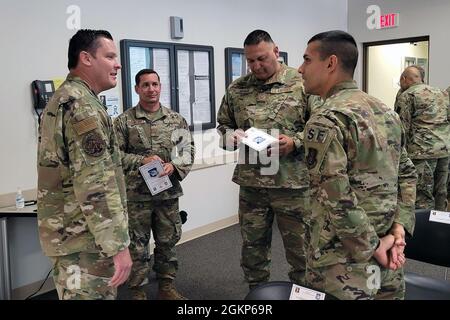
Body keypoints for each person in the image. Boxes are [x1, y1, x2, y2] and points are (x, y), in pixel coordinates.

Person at [298, 30, 417, 300]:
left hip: (341, 260)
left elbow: (335, 196)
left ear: (330, 63)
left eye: (306, 60)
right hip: (388, 253)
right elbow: (408, 174)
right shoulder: (385, 110)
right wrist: (398, 230)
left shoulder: (326, 119)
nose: (300, 68)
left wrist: (374, 246)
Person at [37, 29, 132, 300]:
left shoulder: (65, 97)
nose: (118, 64)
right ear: (86, 59)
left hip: (73, 236)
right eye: (110, 56)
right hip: (84, 241)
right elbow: (95, 182)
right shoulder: (82, 106)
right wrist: (118, 246)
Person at [217, 29, 310, 290]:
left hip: (292, 185)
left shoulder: (302, 83)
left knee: (301, 250)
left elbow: (320, 128)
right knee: (253, 248)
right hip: (252, 186)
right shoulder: (238, 88)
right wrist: (229, 136)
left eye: (262, 58)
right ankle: (257, 294)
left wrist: (295, 142)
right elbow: (223, 125)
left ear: (276, 52)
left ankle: (305, 294)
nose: (256, 66)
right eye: (250, 61)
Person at [114, 69, 195, 300]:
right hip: (136, 196)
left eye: (155, 84)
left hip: (167, 194)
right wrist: (142, 161)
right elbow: (114, 155)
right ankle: (137, 291)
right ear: (137, 89)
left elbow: (187, 151)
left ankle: (166, 287)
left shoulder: (175, 120)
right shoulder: (123, 122)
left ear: (161, 87)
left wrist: (175, 166)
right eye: (146, 85)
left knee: (167, 242)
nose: (151, 89)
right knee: (137, 246)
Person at [395, 65, 450, 210]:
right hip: (444, 150)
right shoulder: (441, 93)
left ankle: (425, 230)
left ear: (404, 79)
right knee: (441, 191)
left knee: (422, 194)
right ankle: (441, 228)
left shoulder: (408, 95)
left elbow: (402, 128)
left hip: (422, 152)